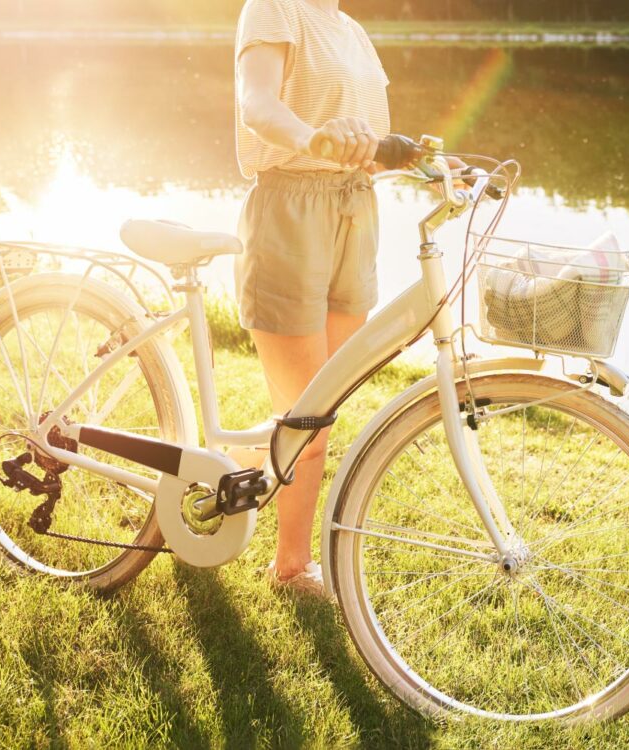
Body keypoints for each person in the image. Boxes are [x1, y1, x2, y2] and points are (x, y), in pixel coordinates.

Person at [229, 0, 390, 597]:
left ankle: (232, 464)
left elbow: (369, 138)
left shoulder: (351, 30)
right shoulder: (274, 8)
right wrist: (313, 138)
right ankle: (291, 565)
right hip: (292, 209)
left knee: (321, 404)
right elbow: (257, 105)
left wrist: (432, 163)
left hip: (355, 211)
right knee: (307, 418)